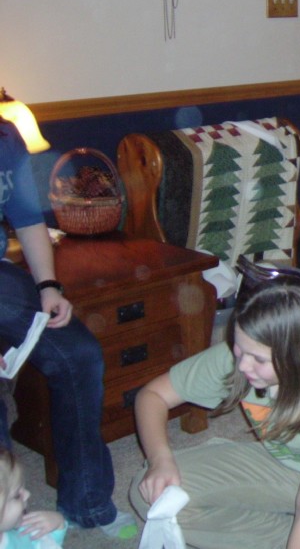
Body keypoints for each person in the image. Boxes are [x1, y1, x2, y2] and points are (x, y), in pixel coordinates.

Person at [129, 276, 300, 549]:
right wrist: (160, 459)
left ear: (297, 357)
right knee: (155, 496)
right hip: (287, 463)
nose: (243, 365)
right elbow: (152, 396)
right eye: (238, 347)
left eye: (259, 359)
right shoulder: (247, 351)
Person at [0, 120, 137, 539]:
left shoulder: (6, 136)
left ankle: (88, 503)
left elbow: (27, 220)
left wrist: (48, 286)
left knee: (79, 354)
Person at [0, 448, 67, 548]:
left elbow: (44, 544)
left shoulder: (20, 530)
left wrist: (58, 523)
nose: (28, 494)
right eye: (17, 496)